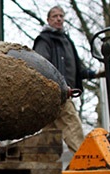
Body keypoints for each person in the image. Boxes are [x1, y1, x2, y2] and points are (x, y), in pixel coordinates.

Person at [33, 5, 104, 153]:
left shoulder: (66, 41)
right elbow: (40, 66)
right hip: (55, 93)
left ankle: (42, 168)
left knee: (49, 136)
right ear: (48, 20)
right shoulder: (45, 40)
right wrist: (58, 87)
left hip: (64, 92)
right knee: (72, 126)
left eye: (61, 16)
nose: (59, 19)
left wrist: (94, 74)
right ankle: (86, 163)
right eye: (55, 16)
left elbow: (77, 69)